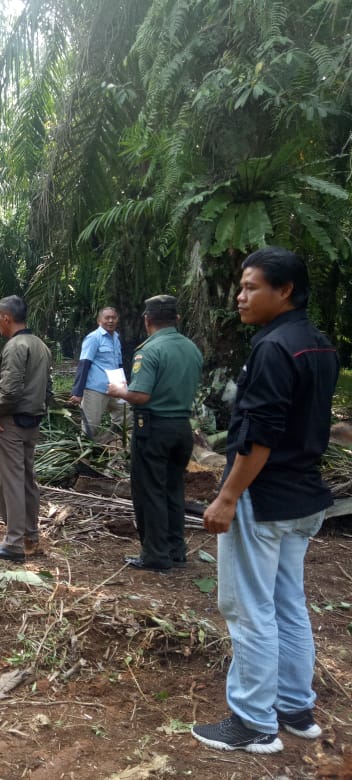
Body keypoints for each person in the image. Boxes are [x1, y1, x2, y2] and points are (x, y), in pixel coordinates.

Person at [191, 248, 337, 754]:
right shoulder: (318, 345)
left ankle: (253, 722)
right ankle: (295, 708)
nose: (240, 295)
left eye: (251, 286)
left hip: (264, 496)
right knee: (287, 603)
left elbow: (261, 435)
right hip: (304, 497)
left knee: (249, 608)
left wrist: (227, 496)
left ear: (286, 291)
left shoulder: (274, 348)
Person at [106, 295, 202, 571]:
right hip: (183, 428)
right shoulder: (191, 348)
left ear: (147, 320)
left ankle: (155, 554)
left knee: (150, 491)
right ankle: (175, 550)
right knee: (173, 488)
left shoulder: (149, 350)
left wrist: (118, 391)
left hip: (154, 427)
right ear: (177, 320)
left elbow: (140, 394)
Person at [0, 296, 53, 562]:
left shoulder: (15, 346)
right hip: (32, 421)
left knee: (9, 482)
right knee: (26, 480)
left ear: (5, 317)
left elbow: (10, 389)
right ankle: (30, 538)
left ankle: (13, 544)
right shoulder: (40, 345)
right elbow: (48, 389)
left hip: (9, 422)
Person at [70, 307, 128, 441]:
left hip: (115, 387)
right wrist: (77, 392)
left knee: (126, 414)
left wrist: (124, 386)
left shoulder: (116, 339)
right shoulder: (94, 338)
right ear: (99, 320)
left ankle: (108, 441)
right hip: (95, 388)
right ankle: (85, 455)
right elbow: (84, 364)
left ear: (117, 320)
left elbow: (118, 365)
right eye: (107, 318)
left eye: (113, 317)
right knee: (90, 426)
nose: (111, 320)